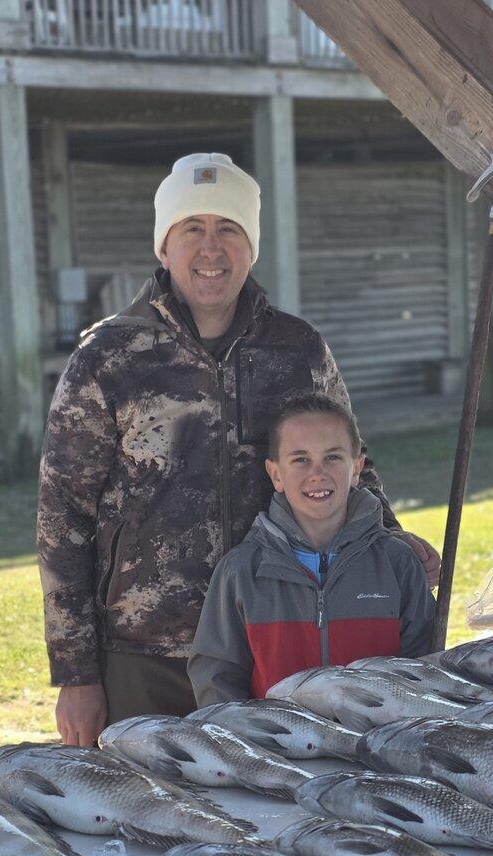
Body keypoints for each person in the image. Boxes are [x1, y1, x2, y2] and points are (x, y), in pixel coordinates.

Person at [37, 152, 441, 745]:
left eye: (228, 229)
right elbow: (62, 516)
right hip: (146, 654)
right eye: (192, 229)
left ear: (250, 247)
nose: (211, 248)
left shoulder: (297, 349)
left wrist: (388, 542)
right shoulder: (109, 357)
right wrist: (76, 675)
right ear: (164, 246)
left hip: (274, 644)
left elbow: (349, 464)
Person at [188, 392, 436, 704]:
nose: (317, 474)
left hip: (377, 744)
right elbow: (216, 680)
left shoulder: (397, 564)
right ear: (276, 474)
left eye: (332, 457)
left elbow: (425, 669)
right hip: (277, 748)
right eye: (300, 459)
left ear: (357, 468)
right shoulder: (241, 571)